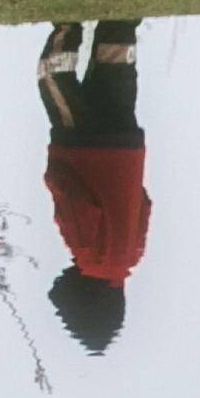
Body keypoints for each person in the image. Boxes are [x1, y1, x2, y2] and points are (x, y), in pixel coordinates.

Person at [36, 20, 146, 354]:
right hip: (84, 149)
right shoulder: (89, 258)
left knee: (113, 71)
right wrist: (53, 175)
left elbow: (145, 202)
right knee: (52, 77)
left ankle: (122, 12)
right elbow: (73, 201)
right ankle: (68, 22)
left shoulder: (132, 256)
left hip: (126, 148)